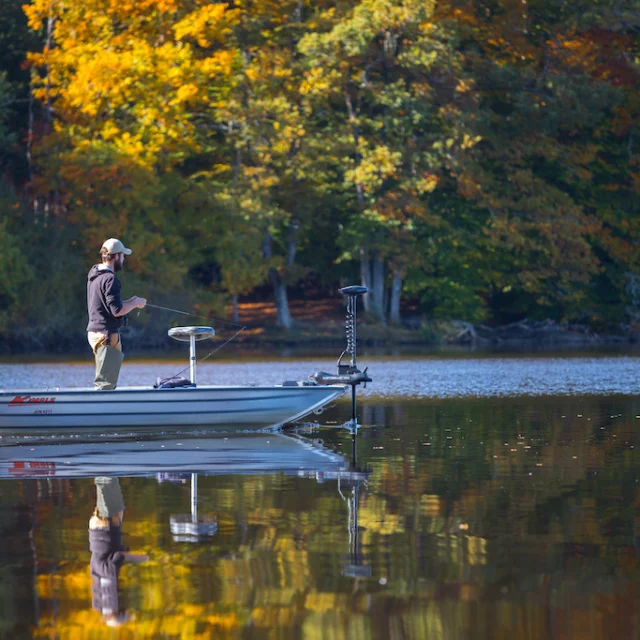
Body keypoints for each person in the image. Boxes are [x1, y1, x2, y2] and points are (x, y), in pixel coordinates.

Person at [87, 238, 146, 390]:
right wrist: (135, 304)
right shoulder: (110, 279)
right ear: (116, 256)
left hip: (95, 333)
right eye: (123, 255)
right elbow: (117, 311)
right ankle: (102, 412)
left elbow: (110, 306)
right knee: (105, 385)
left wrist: (131, 301)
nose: (124, 259)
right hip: (106, 336)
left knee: (104, 382)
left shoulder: (95, 276)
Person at [89, 476, 148, 628]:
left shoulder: (108, 594)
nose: (125, 606)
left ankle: (103, 469)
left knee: (105, 487)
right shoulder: (101, 591)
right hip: (104, 533)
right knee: (118, 509)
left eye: (123, 610)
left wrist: (139, 558)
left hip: (104, 532)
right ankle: (110, 472)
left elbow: (115, 560)